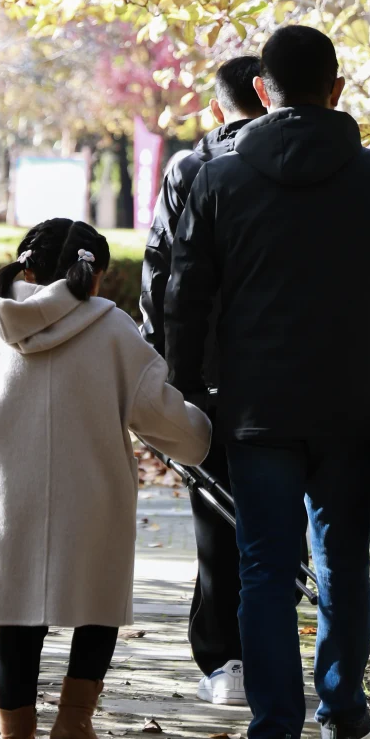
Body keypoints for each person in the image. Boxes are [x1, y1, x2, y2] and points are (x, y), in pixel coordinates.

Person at [165, 26, 370, 739]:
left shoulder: (217, 179)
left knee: (262, 571)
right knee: (341, 564)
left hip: (255, 411)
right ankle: (342, 720)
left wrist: (179, 398)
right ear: (337, 89)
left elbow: (186, 299)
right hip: (353, 409)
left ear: (264, 91)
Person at [0, 216, 211, 739]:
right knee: (98, 606)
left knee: (17, 622)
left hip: (7, 497)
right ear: (92, 277)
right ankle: (74, 721)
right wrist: (203, 433)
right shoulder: (113, 331)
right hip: (92, 495)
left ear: (27, 267)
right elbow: (162, 417)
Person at [140, 55, 263, 705]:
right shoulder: (291, 166)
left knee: (216, 517)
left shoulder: (190, 169)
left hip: (207, 378)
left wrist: (165, 374)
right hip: (279, 375)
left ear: (216, 110)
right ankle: (275, 654)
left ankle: (226, 662)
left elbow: (160, 274)